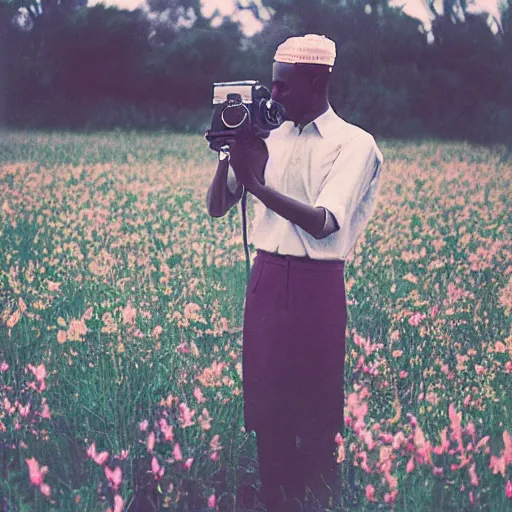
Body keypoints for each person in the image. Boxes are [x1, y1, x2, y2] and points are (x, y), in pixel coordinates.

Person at [206, 34, 384, 512]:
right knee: (268, 415)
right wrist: (229, 149)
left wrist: (257, 186)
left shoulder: (354, 144)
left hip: (316, 286)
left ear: (316, 80)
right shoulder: (266, 135)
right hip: (265, 278)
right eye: (270, 85)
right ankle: (275, 501)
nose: (272, 96)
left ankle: (317, 502)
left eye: (282, 87)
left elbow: (325, 223)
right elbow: (217, 207)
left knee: (317, 416)